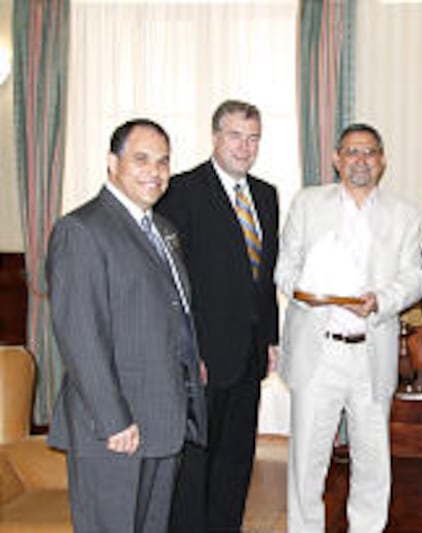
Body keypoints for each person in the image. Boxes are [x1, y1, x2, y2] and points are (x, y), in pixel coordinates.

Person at [47, 118, 207, 532]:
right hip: (115, 428)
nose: (154, 171)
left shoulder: (163, 230)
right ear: (112, 162)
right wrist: (113, 418)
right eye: (141, 159)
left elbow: (171, 310)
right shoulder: (81, 229)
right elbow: (80, 335)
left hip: (163, 416)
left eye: (163, 162)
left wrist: (191, 361)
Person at [275, 123, 422, 532]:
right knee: (307, 460)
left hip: (371, 353)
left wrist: (383, 301)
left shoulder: (404, 214)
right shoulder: (307, 204)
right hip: (317, 352)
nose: (361, 160)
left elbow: (415, 278)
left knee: (373, 460)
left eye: (370, 152)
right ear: (336, 159)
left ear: (382, 161)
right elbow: (283, 268)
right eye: (352, 152)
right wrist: (305, 290)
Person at [155, 100, 279, 532]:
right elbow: (171, 284)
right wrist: (187, 353)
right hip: (201, 359)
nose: (245, 147)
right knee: (194, 467)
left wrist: (270, 339)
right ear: (215, 137)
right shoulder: (181, 191)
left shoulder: (266, 195)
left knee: (236, 461)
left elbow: (264, 279)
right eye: (235, 135)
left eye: (253, 137)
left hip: (248, 357)